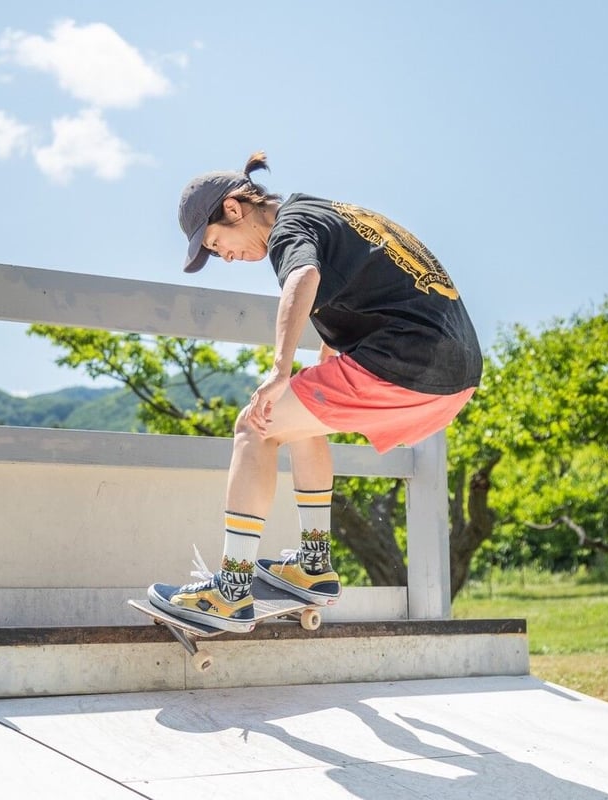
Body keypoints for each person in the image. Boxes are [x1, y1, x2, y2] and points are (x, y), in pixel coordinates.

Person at [148, 152, 482, 632]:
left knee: (256, 424)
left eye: (218, 244)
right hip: (454, 374)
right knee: (300, 420)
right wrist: (325, 354)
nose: (225, 257)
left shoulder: (288, 228)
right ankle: (312, 563)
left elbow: (304, 277)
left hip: (408, 361)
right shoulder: (326, 212)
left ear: (235, 209)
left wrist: (280, 368)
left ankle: (231, 589)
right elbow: (366, 278)